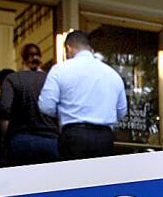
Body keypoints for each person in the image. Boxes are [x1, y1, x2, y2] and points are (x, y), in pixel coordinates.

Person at [38, 30, 127, 160]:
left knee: (74, 179)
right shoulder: (112, 74)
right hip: (105, 138)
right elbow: (121, 111)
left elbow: (46, 105)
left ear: (68, 48)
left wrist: (65, 111)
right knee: (101, 178)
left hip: (74, 135)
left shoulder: (60, 69)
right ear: (90, 48)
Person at [0, 44, 58, 165]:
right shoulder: (51, 79)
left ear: (22, 58)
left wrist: (7, 138)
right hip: (50, 140)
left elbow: (4, 110)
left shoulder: (12, 79)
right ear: (40, 58)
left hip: (21, 141)